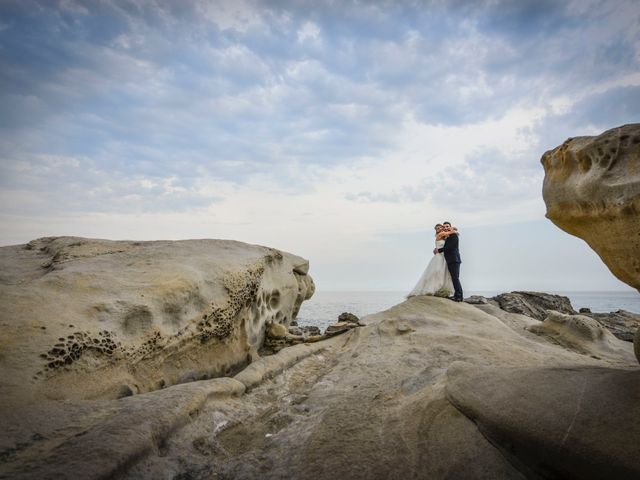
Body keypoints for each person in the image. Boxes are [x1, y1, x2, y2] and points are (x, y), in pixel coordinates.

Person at [407, 224, 455, 298]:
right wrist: (453, 229)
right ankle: (432, 289)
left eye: (439, 227)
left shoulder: (444, 237)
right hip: (439, 257)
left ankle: (439, 289)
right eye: (436, 228)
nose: (438, 229)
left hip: (443, 257)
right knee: (437, 271)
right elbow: (451, 232)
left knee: (442, 273)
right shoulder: (440, 234)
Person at [437, 221, 463, 302]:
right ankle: (456, 295)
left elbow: (450, 247)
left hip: (454, 259)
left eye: (447, 226)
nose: (445, 228)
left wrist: (439, 250)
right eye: (444, 227)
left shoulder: (453, 235)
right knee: (454, 278)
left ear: (450, 227)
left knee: (455, 278)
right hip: (451, 259)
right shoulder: (449, 235)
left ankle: (459, 297)